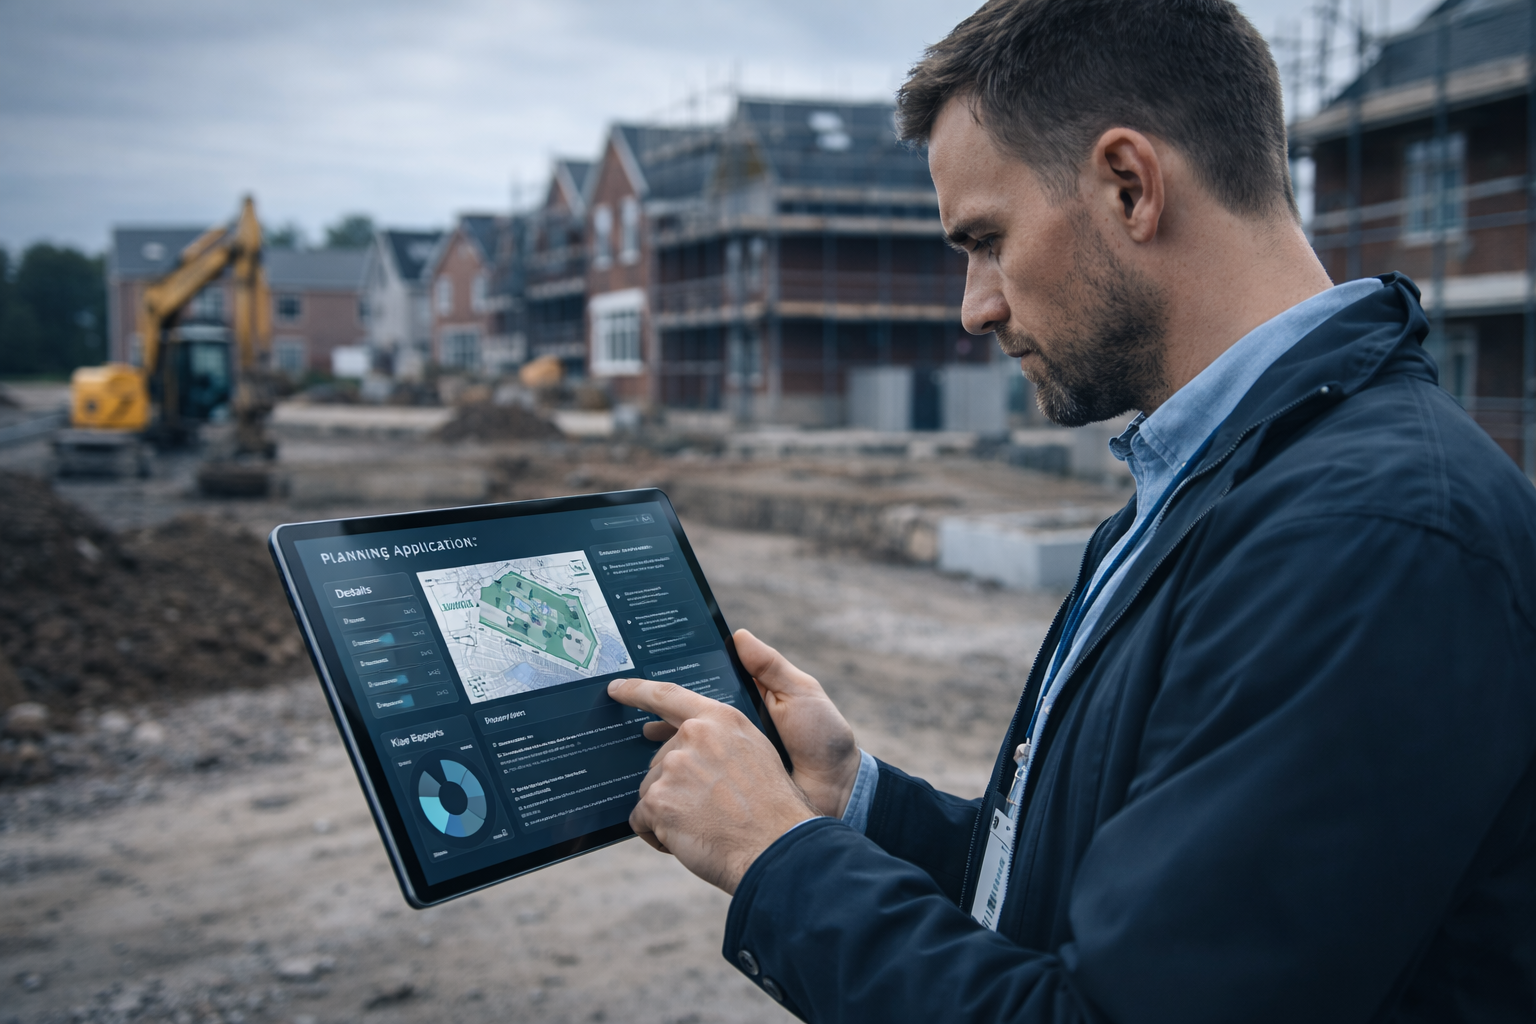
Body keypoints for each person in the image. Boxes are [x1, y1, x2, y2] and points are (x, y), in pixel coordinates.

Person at [609, 0, 1536, 1019]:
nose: (975, 307)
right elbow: (1076, 901)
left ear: (1129, 185)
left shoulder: (1367, 539)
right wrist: (852, 799)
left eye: (987, 239)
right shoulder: (1208, 489)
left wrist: (778, 857)